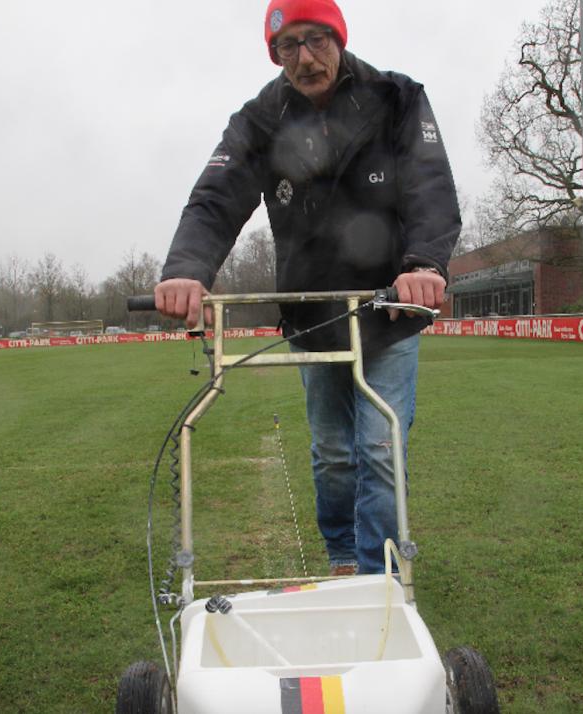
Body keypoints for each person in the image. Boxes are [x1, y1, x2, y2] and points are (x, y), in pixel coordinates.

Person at [155, 0, 461, 575]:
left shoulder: (396, 98)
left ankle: (380, 577)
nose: (304, 57)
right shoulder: (260, 119)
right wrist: (187, 269)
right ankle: (343, 558)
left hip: (389, 309)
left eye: (316, 39)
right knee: (334, 454)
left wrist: (425, 263)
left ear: (338, 38)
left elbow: (430, 185)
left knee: (378, 448)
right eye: (288, 46)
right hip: (312, 312)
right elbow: (216, 196)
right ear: (275, 54)